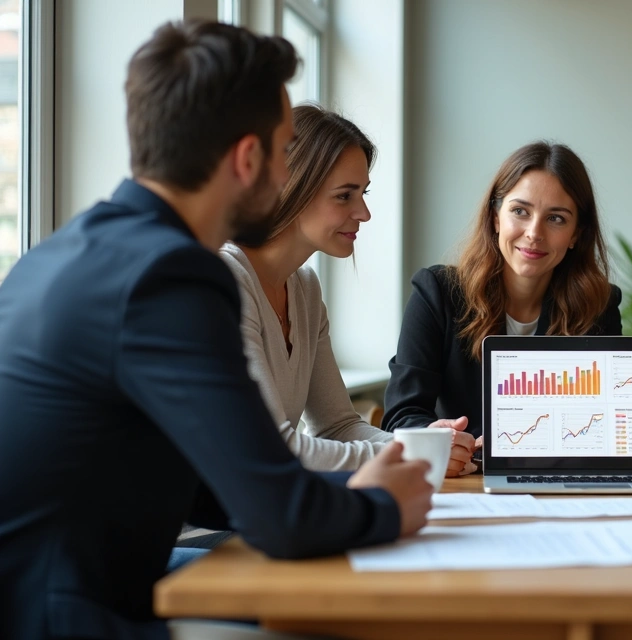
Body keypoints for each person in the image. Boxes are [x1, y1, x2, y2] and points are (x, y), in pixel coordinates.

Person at [0, 21, 432, 640]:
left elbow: (215, 483)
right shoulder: (171, 276)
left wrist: (357, 486)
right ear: (248, 159)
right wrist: (385, 504)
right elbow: (280, 516)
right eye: (284, 151)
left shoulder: (67, 253)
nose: (287, 176)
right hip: (66, 618)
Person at [221, 105, 474, 474]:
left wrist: (424, 444)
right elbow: (273, 447)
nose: (364, 213)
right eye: (344, 196)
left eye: (363, 193)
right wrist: (411, 452)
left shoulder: (306, 289)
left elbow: (337, 426)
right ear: (291, 188)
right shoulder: (228, 279)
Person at [382, 142, 622, 441]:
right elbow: (401, 415)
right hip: (462, 467)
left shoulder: (598, 306)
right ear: (495, 217)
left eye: (556, 218)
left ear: (576, 234)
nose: (534, 233)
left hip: (553, 470)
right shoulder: (437, 293)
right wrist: (437, 439)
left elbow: (603, 425)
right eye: (520, 211)